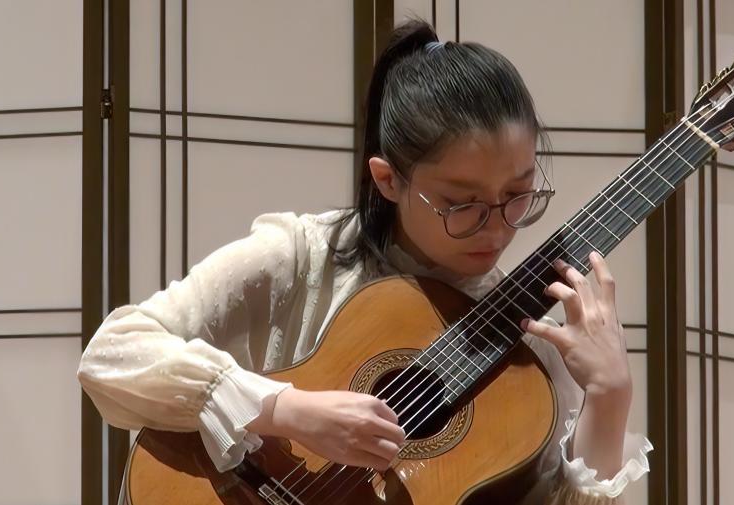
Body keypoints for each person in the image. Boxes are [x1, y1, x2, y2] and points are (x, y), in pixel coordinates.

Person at [78, 19, 652, 504]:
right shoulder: (300, 257)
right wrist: (287, 410)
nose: (497, 225)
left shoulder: (534, 358)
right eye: (461, 204)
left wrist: (609, 397)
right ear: (388, 180)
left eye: (519, 193)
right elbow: (111, 355)